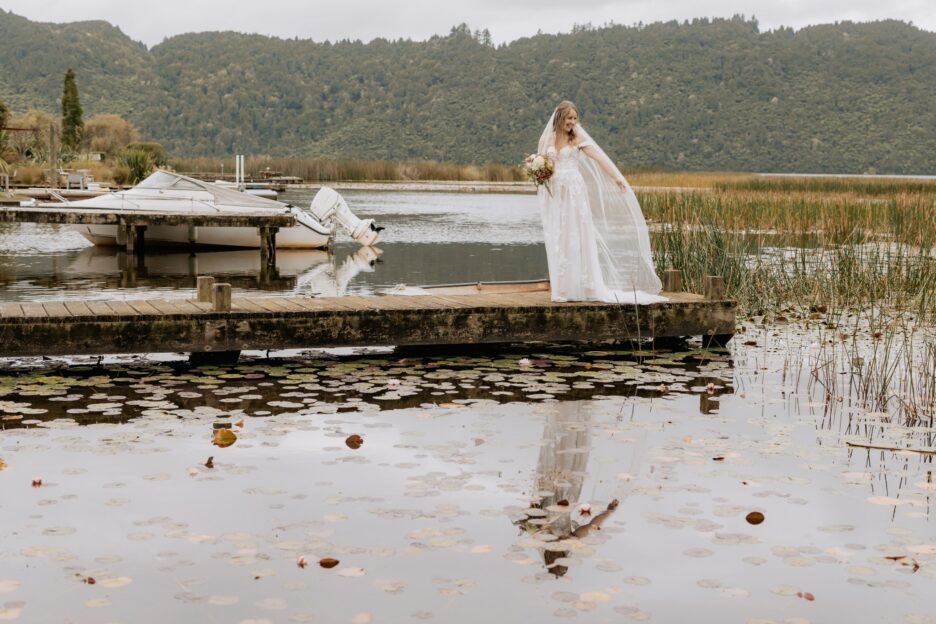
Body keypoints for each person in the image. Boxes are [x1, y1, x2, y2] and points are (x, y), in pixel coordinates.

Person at [538, 101, 666, 304]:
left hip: (574, 191)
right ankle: (563, 288)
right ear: (560, 118)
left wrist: (617, 177)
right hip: (558, 193)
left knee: (577, 234)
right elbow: (546, 165)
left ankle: (586, 286)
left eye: (574, 118)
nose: (572, 122)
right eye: (569, 118)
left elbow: (598, 157)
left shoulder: (577, 138)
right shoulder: (550, 138)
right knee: (560, 237)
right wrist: (538, 170)